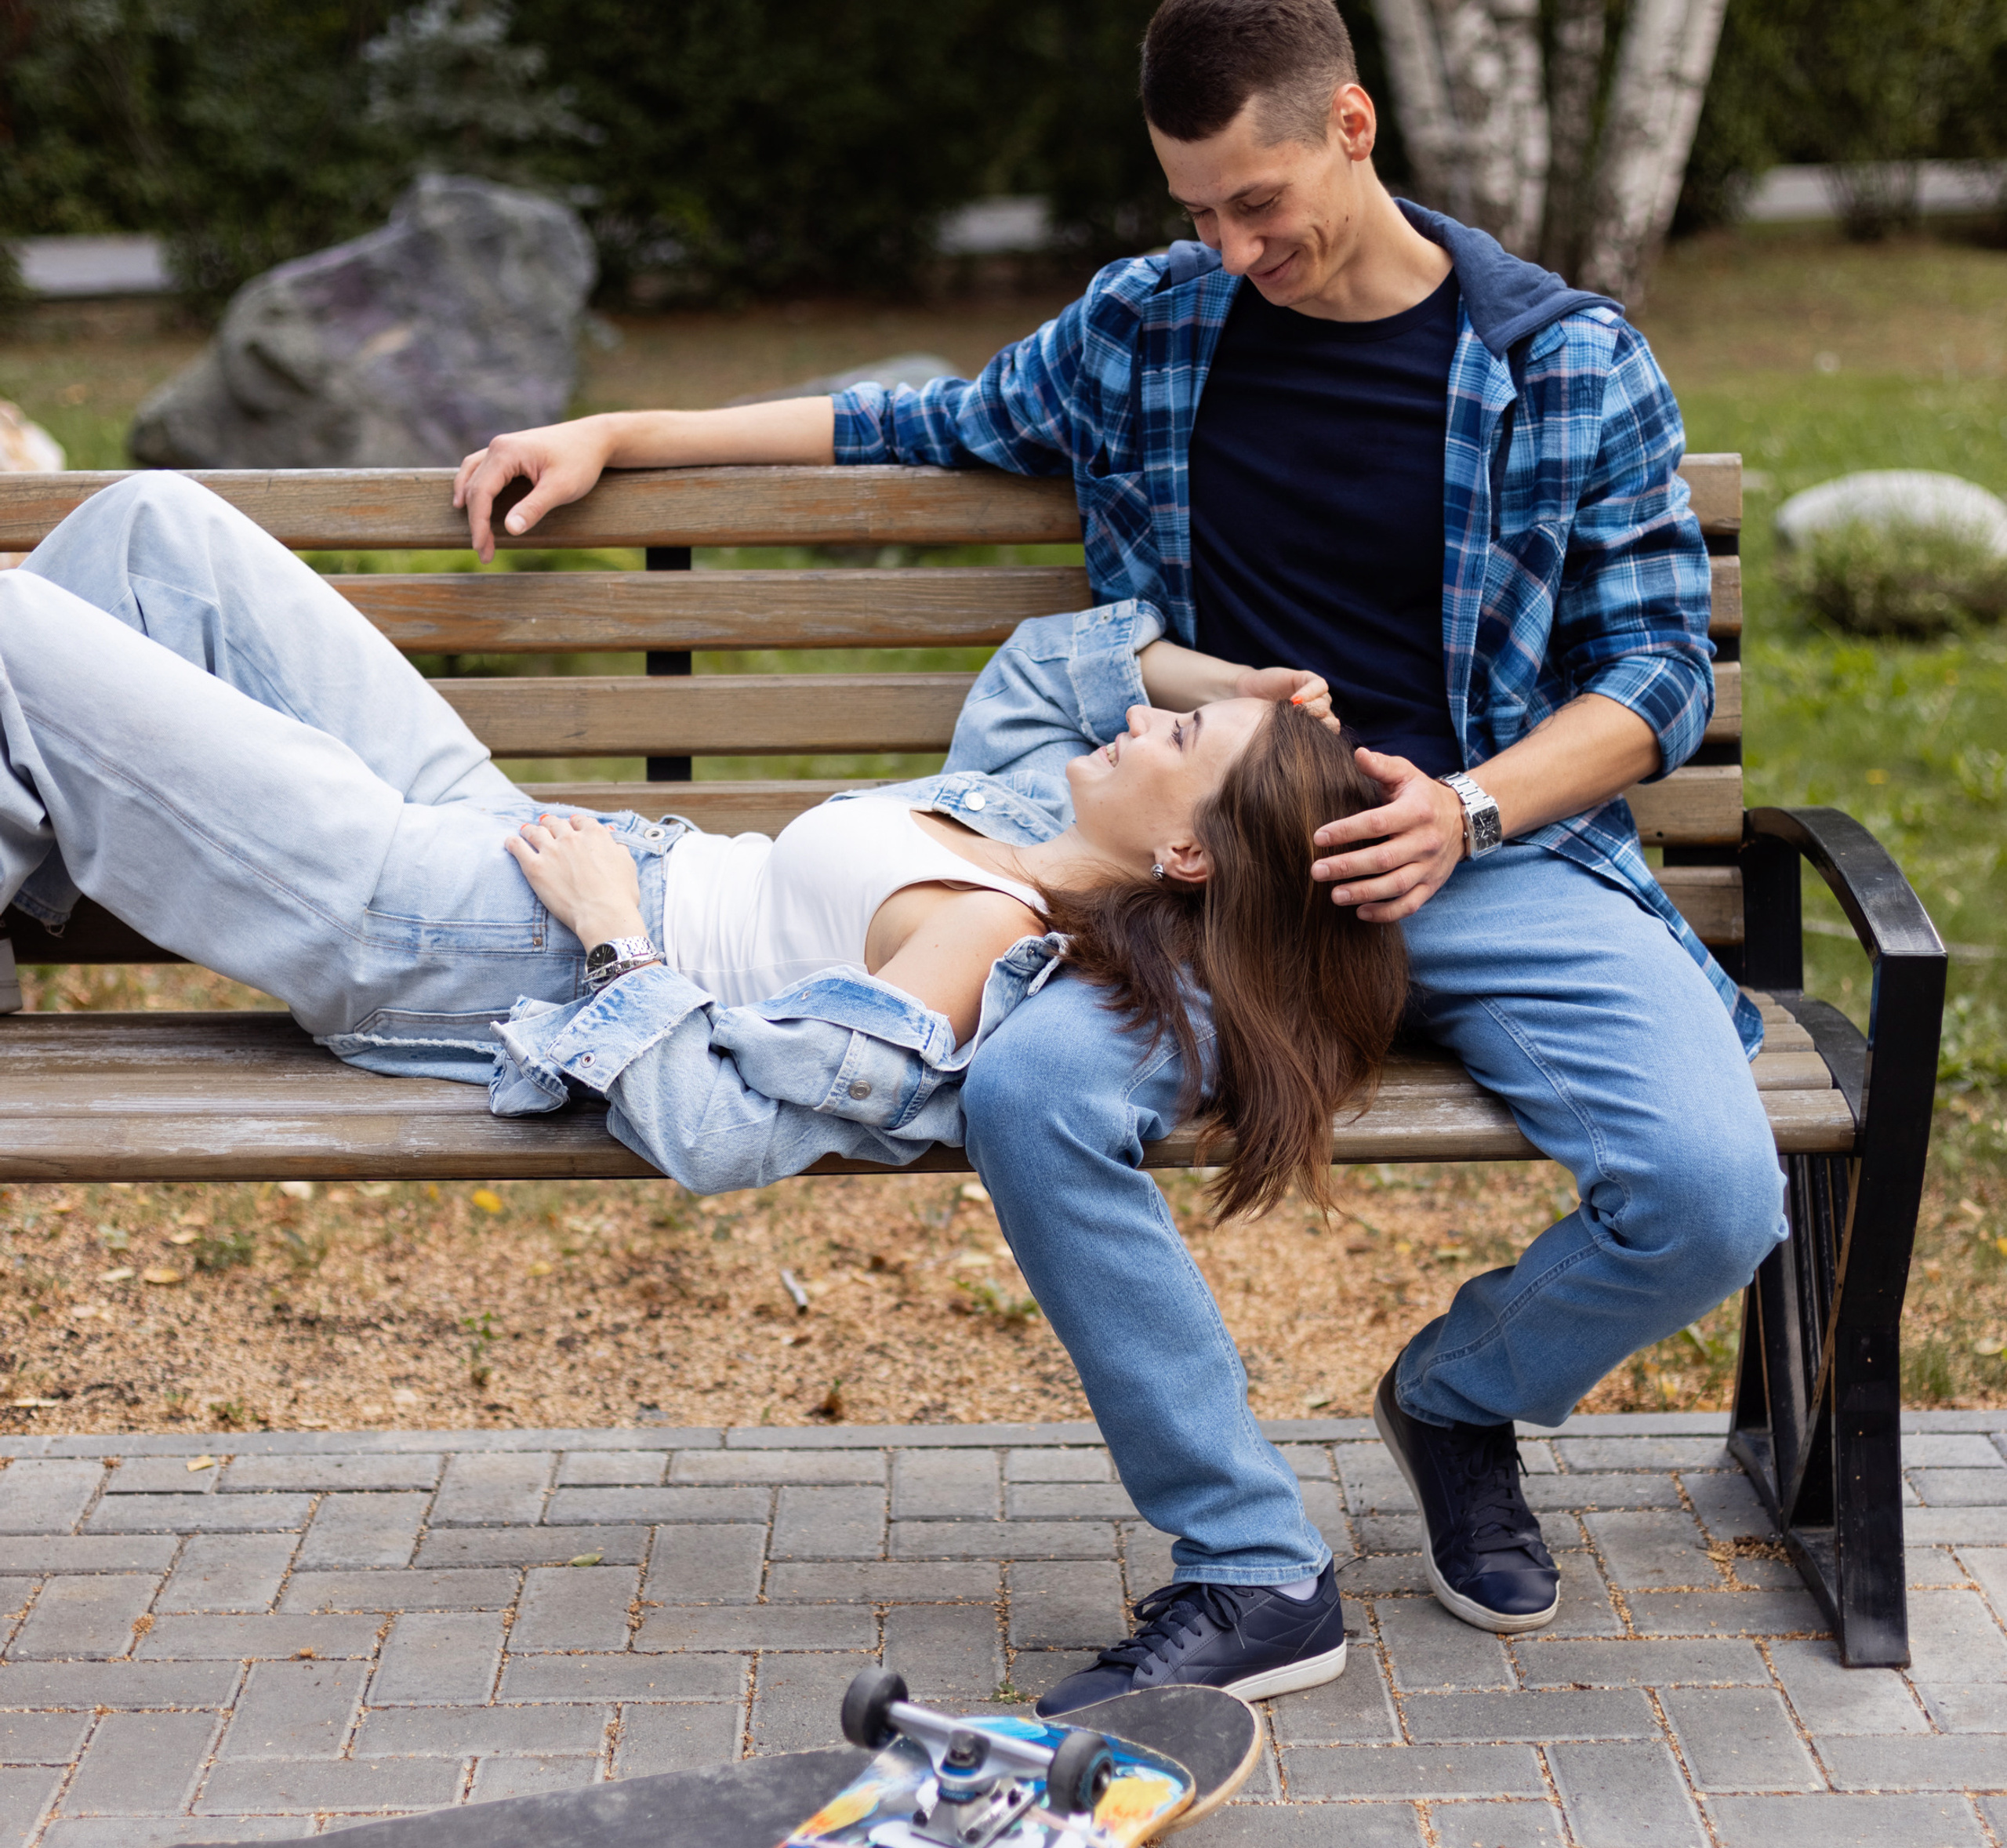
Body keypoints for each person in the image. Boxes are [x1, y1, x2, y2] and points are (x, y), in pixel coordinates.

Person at [469, 0, 1792, 1711]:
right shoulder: (1151, 328)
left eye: (1258, 204)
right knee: (1028, 1087)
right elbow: (918, 419)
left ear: (1351, 127)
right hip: (1201, 880)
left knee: (1709, 1193)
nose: (1233, 250)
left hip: (1493, 849)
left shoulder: (1558, 359)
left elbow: (1654, 675)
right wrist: (622, 437)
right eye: (1196, 213)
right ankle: (1247, 1562)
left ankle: (1460, 1398)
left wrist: (1463, 807)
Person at [2, 473, 1402, 1425]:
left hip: (429, 920)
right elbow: (1049, 665)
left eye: (1177, 741)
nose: (1146, 720)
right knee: (148, 521)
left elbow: (730, 1133)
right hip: (497, 828)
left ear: (1189, 857)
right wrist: (1234, 694)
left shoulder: (985, 939)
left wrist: (616, 938)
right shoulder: (1031, 816)